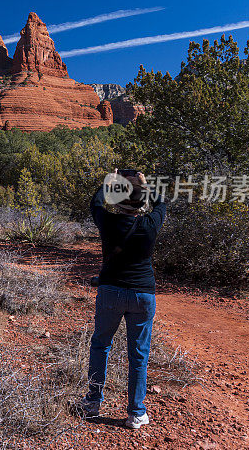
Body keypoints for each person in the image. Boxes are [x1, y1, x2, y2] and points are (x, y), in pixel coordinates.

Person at [79, 170, 167, 429]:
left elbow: (95, 203)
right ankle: (136, 412)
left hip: (111, 292)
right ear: (142, 204)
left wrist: (110, 180)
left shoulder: (108, 221)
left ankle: (93, 402)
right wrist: (145, 183)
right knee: (138, 355)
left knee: (100, 346)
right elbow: (161, 202)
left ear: (117, 202)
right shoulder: (150, 224)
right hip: (142, 295)